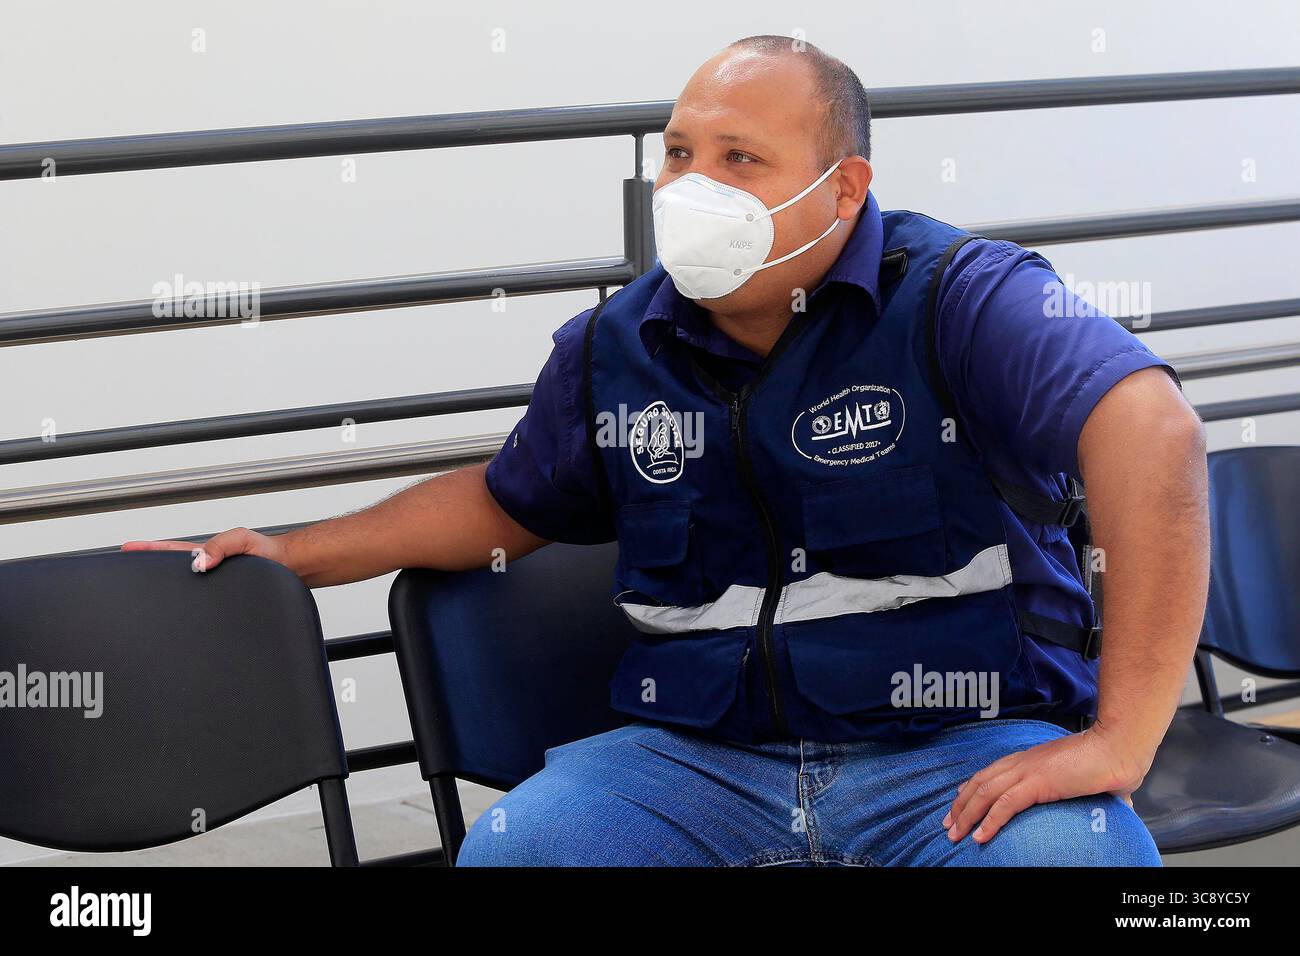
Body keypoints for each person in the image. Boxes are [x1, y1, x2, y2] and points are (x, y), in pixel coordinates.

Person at [126, 35, 1209, 866]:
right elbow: (508, 504)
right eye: (681, 152)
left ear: (842, 189)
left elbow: (1152, 434)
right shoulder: (620, 340)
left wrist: (1120, 735)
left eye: (740, 158)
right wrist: (292, 553)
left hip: (959, 746)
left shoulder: (962, 298)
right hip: (698, 755)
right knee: (518, 847)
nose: (693, 186)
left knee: (1074, 858)